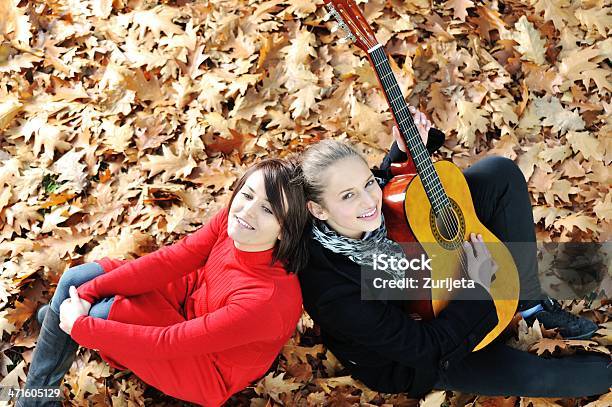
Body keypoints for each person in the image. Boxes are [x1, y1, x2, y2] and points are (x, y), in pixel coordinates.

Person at [297, 108, 611, 399]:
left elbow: (386, 181)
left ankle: (529, 306)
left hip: (429, 273)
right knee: (553, 378)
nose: (369, 202)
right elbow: (426, 347)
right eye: (349, 195)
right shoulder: (330, 289)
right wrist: (477, 287)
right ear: (318, 209)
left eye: (368, 183)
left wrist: (404, 151)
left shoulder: (372, 202)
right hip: (420, 349)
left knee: (497, 173)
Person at [18, 158, 310, 407]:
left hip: (205, 364)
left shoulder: (265, 301)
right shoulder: (235, 219)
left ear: (285, 230)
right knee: (76, 279)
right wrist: (89, 291)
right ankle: (44, 373)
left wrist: (82, 327)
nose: (246, 211)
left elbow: (171, 343)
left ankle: (54, 340)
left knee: (99, 316)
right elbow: (175, 258)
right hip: (190, 298)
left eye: (268, 210)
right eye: (246, 195)